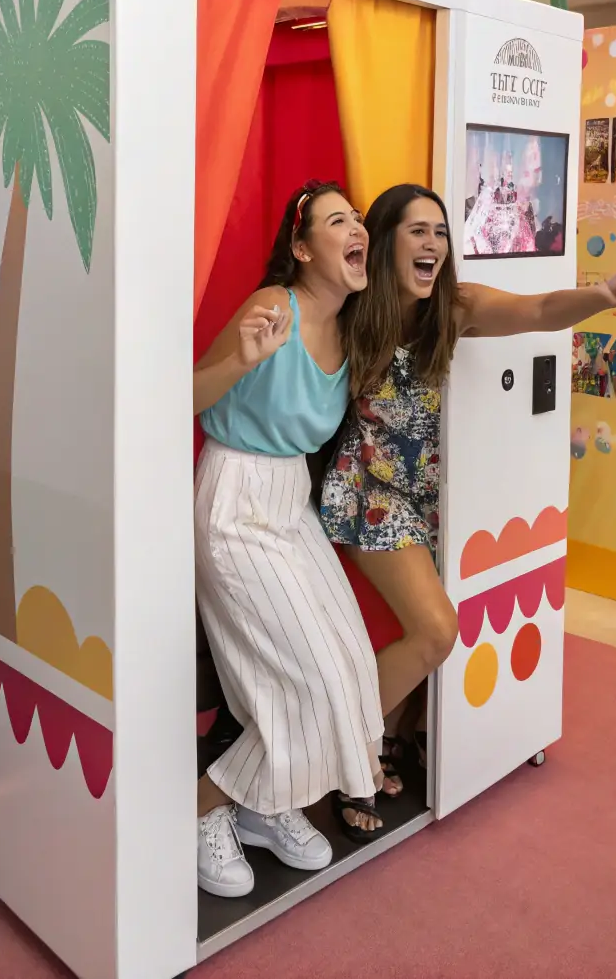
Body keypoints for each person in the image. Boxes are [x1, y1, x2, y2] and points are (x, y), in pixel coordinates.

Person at [321, 183, 616, 774]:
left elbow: (541, 311)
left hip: (437, 499)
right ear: (385, 240)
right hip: (368, 492)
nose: (433, 244)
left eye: (441, 232)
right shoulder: (355, 305)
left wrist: (604, 294)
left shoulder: (454, 306)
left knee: (439, 626)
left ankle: (392, 735)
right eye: (418, 231)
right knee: (437, 630)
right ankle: (339, 756)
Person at [193, 181, 388, 899]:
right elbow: (186, 395)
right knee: (313, 682)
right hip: (236, 498)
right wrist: (242, 359)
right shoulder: (273, 305)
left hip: (289, 503)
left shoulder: (354, 322)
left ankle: (262, 806)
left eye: (359, 219)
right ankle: (204, 809)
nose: (356, 227)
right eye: (339, 220)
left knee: (354, 669)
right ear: (303, 248)